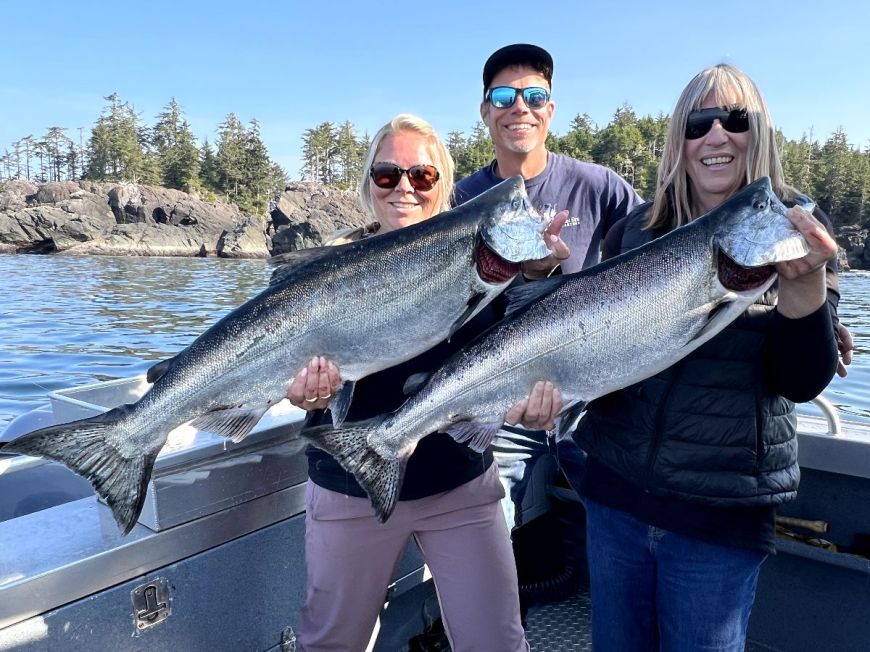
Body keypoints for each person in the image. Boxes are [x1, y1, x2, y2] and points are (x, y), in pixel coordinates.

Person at [573, 63, 841, 651]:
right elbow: (609, 369)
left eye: (735, 119)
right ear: (680, 139)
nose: (716, 136)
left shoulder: (796, 225)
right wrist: (558, 391)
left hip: (720, 514)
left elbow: (799, 381)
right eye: (699, 123)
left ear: (760, 131)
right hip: (616, 495)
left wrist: (805, 291)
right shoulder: (634, 230)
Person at [288, 114, 534, 652]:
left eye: (421, 176)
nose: (404, 187)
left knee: (499, 643)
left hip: (459, 484)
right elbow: (287, 372)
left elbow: (518, 350)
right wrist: (303, 387)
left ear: (443, 185)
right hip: (349, 478)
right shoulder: (328, 269)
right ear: (368, 184)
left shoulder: (484, 264)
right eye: (387, 175)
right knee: (330, 643)